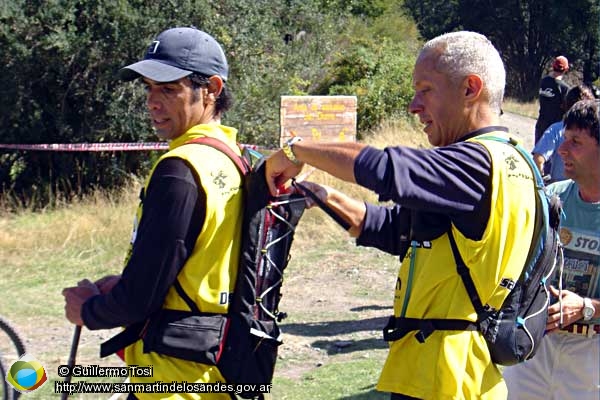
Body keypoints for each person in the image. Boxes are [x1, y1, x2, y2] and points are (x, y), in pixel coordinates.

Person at [266, 31, 539, 399]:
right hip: (455, 370)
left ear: (470, 89)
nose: (413, 106)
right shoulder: (513, 160)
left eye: (425, 89)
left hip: (443, 377)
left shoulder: (476, 163)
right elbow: (400, 233)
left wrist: (296, 151)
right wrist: (325, 196)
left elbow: (385, 168)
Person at [62, 27, 242, 399]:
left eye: (168, 89)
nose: (152, 102)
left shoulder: (180, 168)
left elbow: (140, 297)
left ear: (211, 88)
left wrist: (89, 311)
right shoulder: (233, 160)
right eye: (148, 88)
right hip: (212, 371)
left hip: (172, 379)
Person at [503, 99, 600, 399]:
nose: (562, 150)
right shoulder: (551, 200)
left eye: (576, 142)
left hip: (590, 357)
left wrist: (586, 307)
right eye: (564, 139)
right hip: (535, 345)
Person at [532, 84, 595, 183]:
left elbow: (538, 159)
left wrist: (540, 185)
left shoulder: (557, 129)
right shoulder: (594, 132)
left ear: (566, 104)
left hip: (560, 191)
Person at [535, 55, 571, 144]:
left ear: (553, 67)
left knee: (537, 152)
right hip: (554, 127)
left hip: (541, 123)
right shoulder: (565, 88)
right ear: (566, 69)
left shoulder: (544, 81)